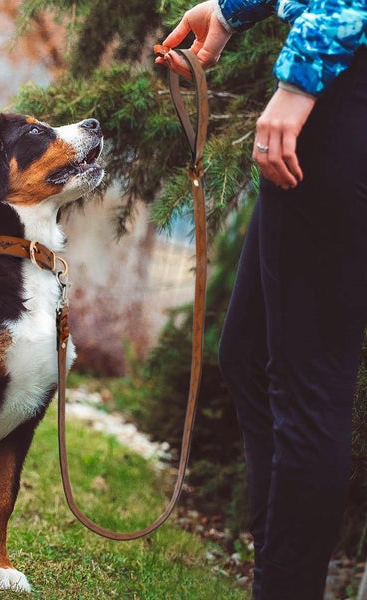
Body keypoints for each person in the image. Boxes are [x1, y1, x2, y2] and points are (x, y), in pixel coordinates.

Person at [156, 1, 367, 598]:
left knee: (309, 387)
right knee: (248, 354)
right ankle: (278, 576)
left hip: (343, 79)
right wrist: (228, 11)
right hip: (339, 77)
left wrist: (302, 79)